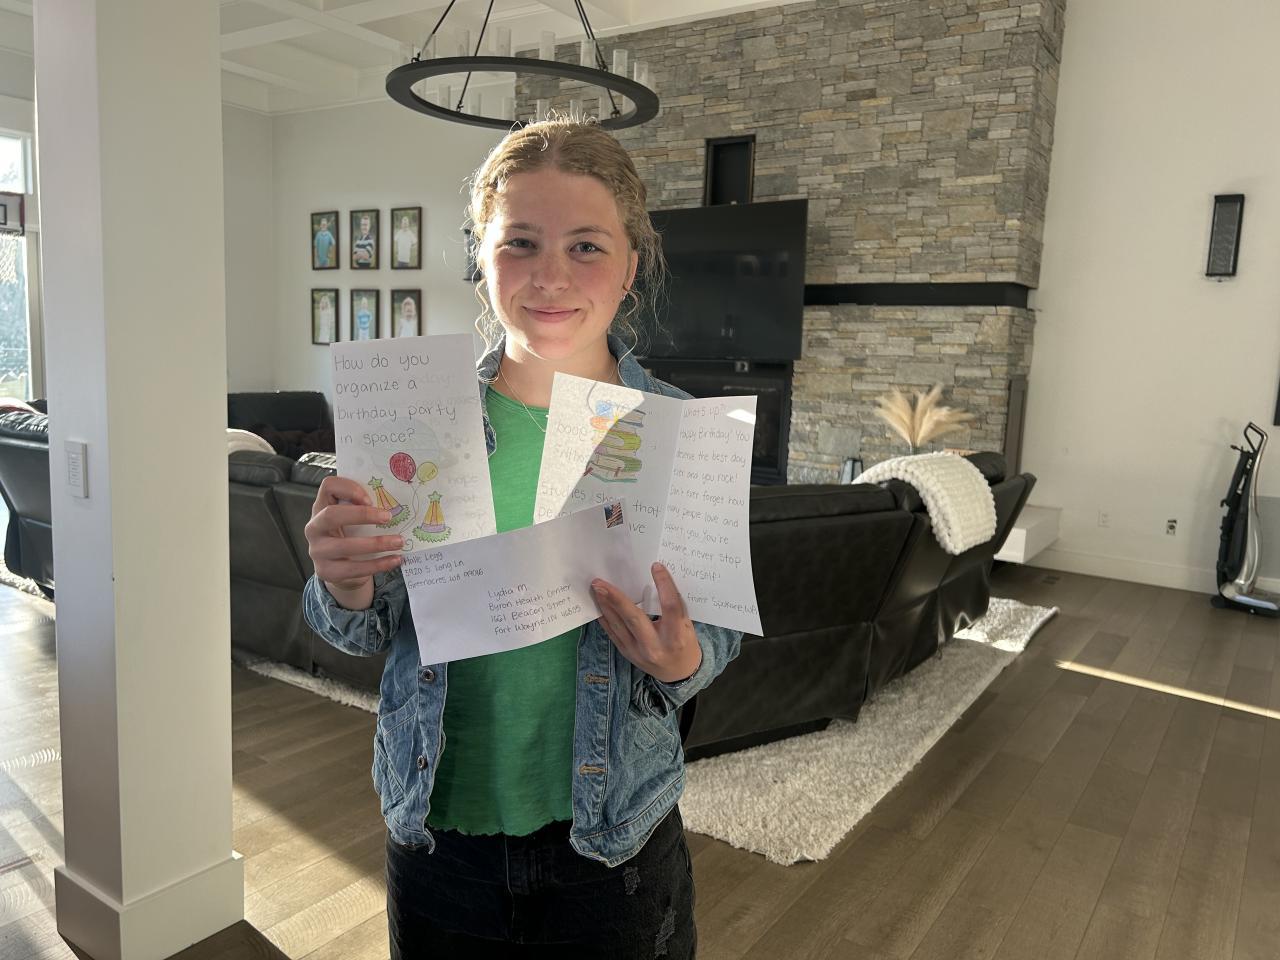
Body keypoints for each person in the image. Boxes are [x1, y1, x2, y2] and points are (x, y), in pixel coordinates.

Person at [302, 117, 741, 958]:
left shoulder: (682, 432)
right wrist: (344, 583)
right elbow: (361, 630)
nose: (550, 275)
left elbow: (714, 635)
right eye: (520, 243)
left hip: (614, 844)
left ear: (630, 266)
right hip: (439, 835)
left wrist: (682, 657)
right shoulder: (415, 423)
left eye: (586, 247)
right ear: (483, 254)